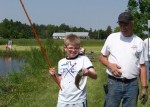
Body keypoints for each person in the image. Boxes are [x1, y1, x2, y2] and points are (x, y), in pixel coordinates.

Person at [99, 12, 148, 107]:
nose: (123, 27)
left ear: (132, 24)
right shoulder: (112, 37)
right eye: (121, 25)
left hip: (132, 85)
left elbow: (142, 66)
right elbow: (101, 57)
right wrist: (110, 65)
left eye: (126, 24)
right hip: (113, 83)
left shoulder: (139, 42)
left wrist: (144, 88)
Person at [49, 34, 97, 107]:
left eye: (76, 48)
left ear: (79, 48)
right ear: (65, 48)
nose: (73, 50)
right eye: (70, 48)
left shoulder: (84, 59)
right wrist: (53, 76)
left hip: (79, 101)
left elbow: (95, 76)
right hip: (62, 100)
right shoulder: (61, 62)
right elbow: (60, 82)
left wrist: (88, 73)